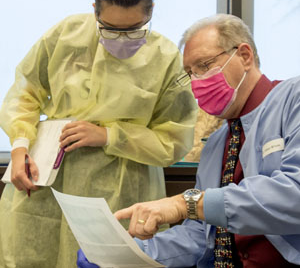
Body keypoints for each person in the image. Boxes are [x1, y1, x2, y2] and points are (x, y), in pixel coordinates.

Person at [0, 0, 198, 267]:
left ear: (151, 13)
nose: (121, 40)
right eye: (109, 28)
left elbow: (174, 139)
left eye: (134, 30)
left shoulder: (165, 58)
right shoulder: (66, 36)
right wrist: (20, 145)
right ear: (95, 11)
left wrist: (110, 135)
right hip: (47, 183)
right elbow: (24, 91)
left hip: (123, 192)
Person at [78, 14, 300, 267]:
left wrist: (187, 202)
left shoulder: (293, 99)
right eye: (189, 74)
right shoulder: (217, 143)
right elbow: (201, 236)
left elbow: (294, 195)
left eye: (204, 66)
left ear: (245, 55)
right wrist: (133, 253)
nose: (197, 82)